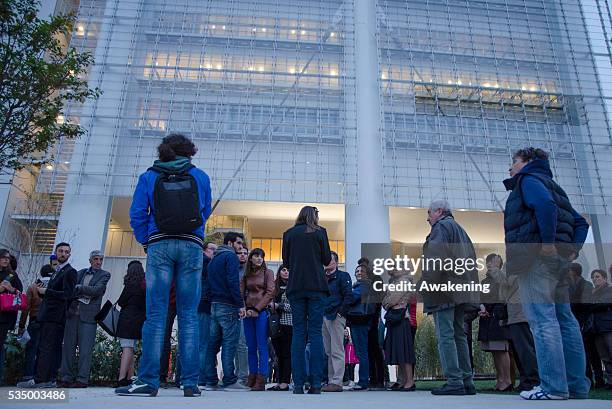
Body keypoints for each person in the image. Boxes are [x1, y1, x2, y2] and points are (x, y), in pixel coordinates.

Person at [117, 133, 212, 397]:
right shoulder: (200, 177)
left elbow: (137, 213)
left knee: (156, 314)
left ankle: (148, 381)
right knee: (189, 315)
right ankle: (190, 383)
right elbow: (203, 210)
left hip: (159, 244)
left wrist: (146, 240)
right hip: (192, 246)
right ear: (189, 151)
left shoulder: (149, 176)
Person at [503, 147, 591, 400]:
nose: (510, 167)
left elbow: (544, 205)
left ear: (529, 162)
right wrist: (571, 250)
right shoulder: (553, 184)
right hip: (559, 263)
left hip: (536, 261)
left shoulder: (528, 181)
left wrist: (548, 243)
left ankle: (553, 387)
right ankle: (576, 387)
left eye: (514, 161)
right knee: (565, 320)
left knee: (543, 321)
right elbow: (581, 223)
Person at [420, 199, 479, 396]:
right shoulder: (461, 230)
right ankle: (466, 380)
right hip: (461, 290)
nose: (427, 218)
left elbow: (435, 259)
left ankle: (454, 381)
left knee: (445, 336)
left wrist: (425, 284)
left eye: (429, 213)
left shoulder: (441, 228)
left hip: (443, 290)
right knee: (459, 335)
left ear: (439, 211)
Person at [282, 206, 332, 395]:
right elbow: (327, 260)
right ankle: (316, 383)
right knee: (315, 333)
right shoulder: (320, 232)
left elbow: (286, 262)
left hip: (296, 287)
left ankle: (298, 384)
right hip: (317, 288)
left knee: (298, 333)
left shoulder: (289, 234)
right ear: (315, 217)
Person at [18, 242, 77, 389]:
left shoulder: (70, 272)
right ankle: (47, 378)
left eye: (66, 252)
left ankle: (41, 380)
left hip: (56, 316)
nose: (63, 254)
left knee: (47, 347)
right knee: (48, 347)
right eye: (60, 251)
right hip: (47, 314)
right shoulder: (56, 271)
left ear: (69, 254)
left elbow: (68, 295)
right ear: (56, 253)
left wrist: (46, 292)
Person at [204, 232, 250, 391]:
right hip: (228, 305)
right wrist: (240, 304)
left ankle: (210, 381)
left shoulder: (214, 259)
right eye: (238, 243)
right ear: (230, 243)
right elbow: (233, 281)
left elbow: (209, 283)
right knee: (230, 344)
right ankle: (230, 380)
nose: (240, 247)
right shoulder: (230, 257)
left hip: (214, 305)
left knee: (213, 344)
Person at [488, 256, 540, 392]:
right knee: (520, 349)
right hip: (517, 310)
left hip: (519, 311)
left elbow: (505, 281)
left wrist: (494, 269)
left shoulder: (515, 262)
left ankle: (531, 380)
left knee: (524, 348)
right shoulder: (523, 260)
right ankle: (526, 380)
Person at [59, 250, 111, 388]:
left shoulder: (105, 274)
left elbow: (97, 290)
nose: (98, 262)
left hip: (89, 317)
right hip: (72, 314)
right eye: (96, 259)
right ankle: (66, 378)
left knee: (85, 350)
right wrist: (82, 289)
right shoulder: (80, 272)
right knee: (68, 348)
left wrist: (80, 288)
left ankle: (82, 380)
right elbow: (70, 290)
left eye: (100, 259)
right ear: (90, 260)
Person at [240, 248, 275, 391]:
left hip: (261, 312)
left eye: (261, 256)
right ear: (251, 258)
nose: (259, 258)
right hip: (248, 313)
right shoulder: (246, 274)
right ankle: (252, 376)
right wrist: (244, 309)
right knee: (251, 346)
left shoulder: (268, 273)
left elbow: (270, 292)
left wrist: (257, 309)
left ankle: (261, 378)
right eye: (256, 256)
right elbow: (240, 293)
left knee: (262, 345)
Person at [478, 254, 512, 392]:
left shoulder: (503, 278)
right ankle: (500, 379)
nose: (490, 264)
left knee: (501, 349)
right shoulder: (485, 281)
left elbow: (503, 295)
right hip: (487, 317)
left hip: (498, 317)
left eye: (494, 262)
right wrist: (480, 308)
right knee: (494, 350)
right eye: (489, 262)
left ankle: (507, 380)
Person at [569, 263, 604, 388]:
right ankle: (587, 378)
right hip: (575, 322)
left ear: (574, 272)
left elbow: (587, 305)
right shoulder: (570, 286)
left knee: (592, 353)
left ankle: (599, 379)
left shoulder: (586, 285)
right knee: (583, 353)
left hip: (585, 324)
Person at [321, 251, 352, 392]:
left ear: (336, 262)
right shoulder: (321, 277)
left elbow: (348, 297)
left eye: (329, 260)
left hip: (336, 316)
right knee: (328, 350)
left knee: (337, 349)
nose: (326, 262)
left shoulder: (343, 276)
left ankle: (337, 381)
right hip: (323, 315)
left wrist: (340, 313)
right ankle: (331, 380)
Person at [18, 262, 54, 381]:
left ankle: (28, 375)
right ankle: (42, 376)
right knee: (45, 350)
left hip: (35, 320)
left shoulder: (33, 287)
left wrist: (21, 325)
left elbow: (26, 308)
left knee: (31, 349)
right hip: (49, 322)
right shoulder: (54, 287)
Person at [382, 269, 416, 392]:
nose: (395, 269)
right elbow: (385, 301)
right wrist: (388, 302)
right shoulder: (394, 282)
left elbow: (390, 300)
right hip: (395, 318)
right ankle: (403, 380)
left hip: (401, 319)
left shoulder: (405, 281)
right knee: (399, 350)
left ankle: (409, 381)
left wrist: (388, 301)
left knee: (404, 350)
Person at [116, 260, 147, 387]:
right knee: (131, 349)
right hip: (139, 321)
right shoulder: (144, 285)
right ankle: (130, 377)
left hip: (127, 320)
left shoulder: (130, 285)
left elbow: (121, 302)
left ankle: (121, 379)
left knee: (126, 348)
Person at [346, 264, 374, 391]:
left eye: (362, 271)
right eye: (357, 271)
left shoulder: (363, 286)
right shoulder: (361, 286)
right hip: (359, 321)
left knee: (361, 352)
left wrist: (344, 293)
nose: (359, 272)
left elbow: (351, 299)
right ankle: (363, 380)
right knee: (361, 351)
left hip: (359, 321)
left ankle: (363, 381)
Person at [0, 249, 23, 383]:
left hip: (4, 316)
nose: (5, 260)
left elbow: (21, 294)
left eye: (7, 258)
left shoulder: (12, 275)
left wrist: (11, 289)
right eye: (3, 257)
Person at [269, 264, 292, 391]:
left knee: (286, 353)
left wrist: (279, 305)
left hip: (288, 324)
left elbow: (294, 307)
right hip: (274, 324)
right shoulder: (274, 287)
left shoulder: (294, 287)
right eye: (283, 269)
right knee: (277, 354)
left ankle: (285, 381)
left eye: (288, 270)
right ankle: (279, 380)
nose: (286, 272)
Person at [198, 241, 217, 388]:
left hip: (195, 305)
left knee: (190, 342)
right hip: (204, 306)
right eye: (212, 249)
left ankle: (182, 378)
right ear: (204, 250)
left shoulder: (197, 263)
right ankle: (199, 379)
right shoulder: (207, 265)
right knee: (203, 344)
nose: (214, 252)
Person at [591, 268, 612, 390]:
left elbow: (603, 303)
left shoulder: (609, 290)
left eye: (597, 276)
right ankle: (610, 381)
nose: (595, 279)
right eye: (593, 277)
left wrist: (592, 304)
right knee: (604, 357)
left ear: (605, 278)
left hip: (608, 327)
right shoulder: (592, 293)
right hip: (597, 329)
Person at [235, 246, 249, 385]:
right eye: (240, 253)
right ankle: (234, 374)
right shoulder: (232, 269)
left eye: (245, 253)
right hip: (230, 309)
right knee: (232, 344)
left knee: (241, 343)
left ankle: (243, 376)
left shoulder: (248, 272)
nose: (243, 255)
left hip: (244, 311)